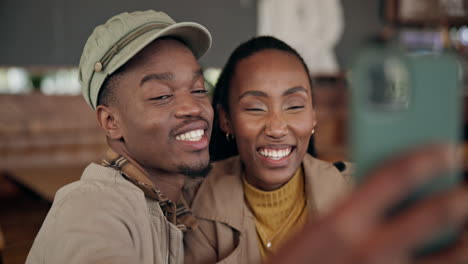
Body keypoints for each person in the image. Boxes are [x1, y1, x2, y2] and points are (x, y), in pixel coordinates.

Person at [183, 36, 468, 264]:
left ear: (313, 116)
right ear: (225, 119)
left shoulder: (364, 193)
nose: (277, 128)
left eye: (295, 106)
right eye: (256, 108)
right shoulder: (191, 200)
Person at [26, 10, 213, 264]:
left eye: (199, 89)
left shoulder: (183, 206)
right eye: (161, 96)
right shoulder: (89, 208)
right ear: (111, 122)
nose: (193, 107)